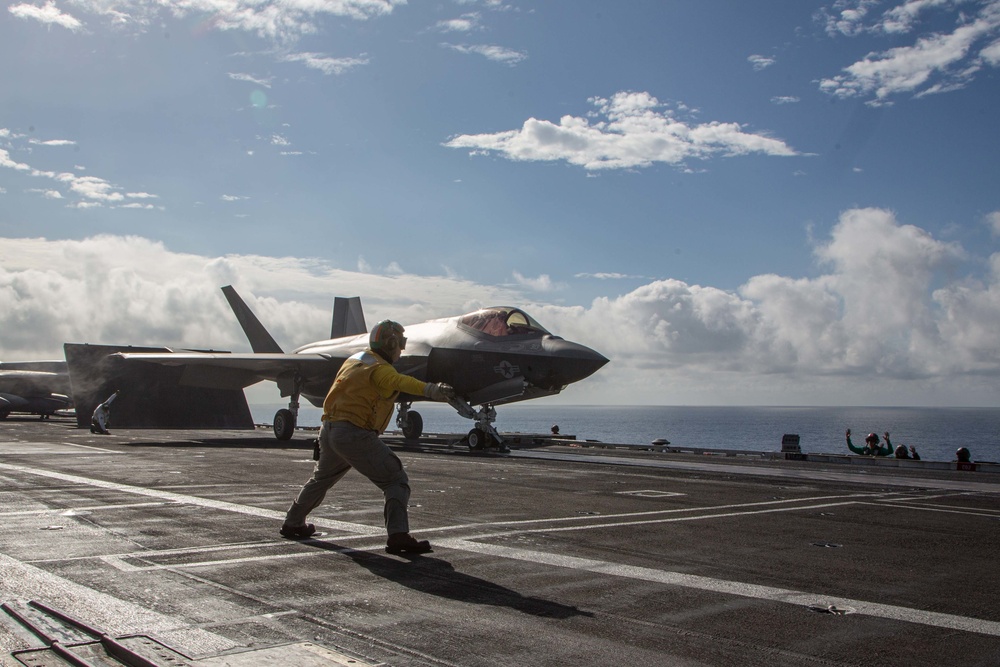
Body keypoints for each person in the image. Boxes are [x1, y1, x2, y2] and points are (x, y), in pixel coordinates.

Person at [280, 320, 455, 554]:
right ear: (391, 343)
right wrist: (433, 390)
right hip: (354, 434)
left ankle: (292, 522)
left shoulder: (355, 360)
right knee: (395, 480)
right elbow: (400, 382)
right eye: (400, 343)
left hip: (329, 430)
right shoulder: (381, 369)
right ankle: (398, 536)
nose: (402, 349)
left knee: (321, 479)